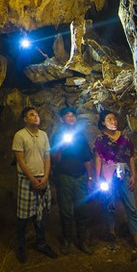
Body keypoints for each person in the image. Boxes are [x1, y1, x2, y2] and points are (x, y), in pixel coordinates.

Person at [93, 110, 137, 250]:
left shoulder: (125, 139)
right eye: (109, 119)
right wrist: (98, 177)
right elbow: (98, 158)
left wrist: (133, 175)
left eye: (114, 119)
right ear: (103, 123)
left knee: (131, 207)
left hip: (124, 174)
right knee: (109, 205)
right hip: (107, 174)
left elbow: (131, 157)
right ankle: (111, 234)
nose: (113, 121)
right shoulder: (100, 140)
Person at [12, 106, 59, 263]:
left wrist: (46, 176)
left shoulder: (43, 135)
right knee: (23, 216)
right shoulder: (20, 135)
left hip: (42, 177)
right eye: (32, 115)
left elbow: (47, 156)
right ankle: (21, 246)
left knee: (40, 214)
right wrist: (32, 179)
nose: (36, 117)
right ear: (25, 119)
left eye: (37, 114)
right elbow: (20, 160)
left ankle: (41, 243)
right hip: (27, 179)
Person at [50, 107, 94, 255]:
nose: (71, 118)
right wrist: (61, 147)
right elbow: (54, 160)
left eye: (73, 115)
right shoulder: (57, 136)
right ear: (62, 119)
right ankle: (67, 241)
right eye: (67, 116)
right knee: (66, 211)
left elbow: (87, 158)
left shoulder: (80, 137)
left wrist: (89, 178)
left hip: (80, 177)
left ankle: (83, 241)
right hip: (64, 177)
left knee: (82, 210)